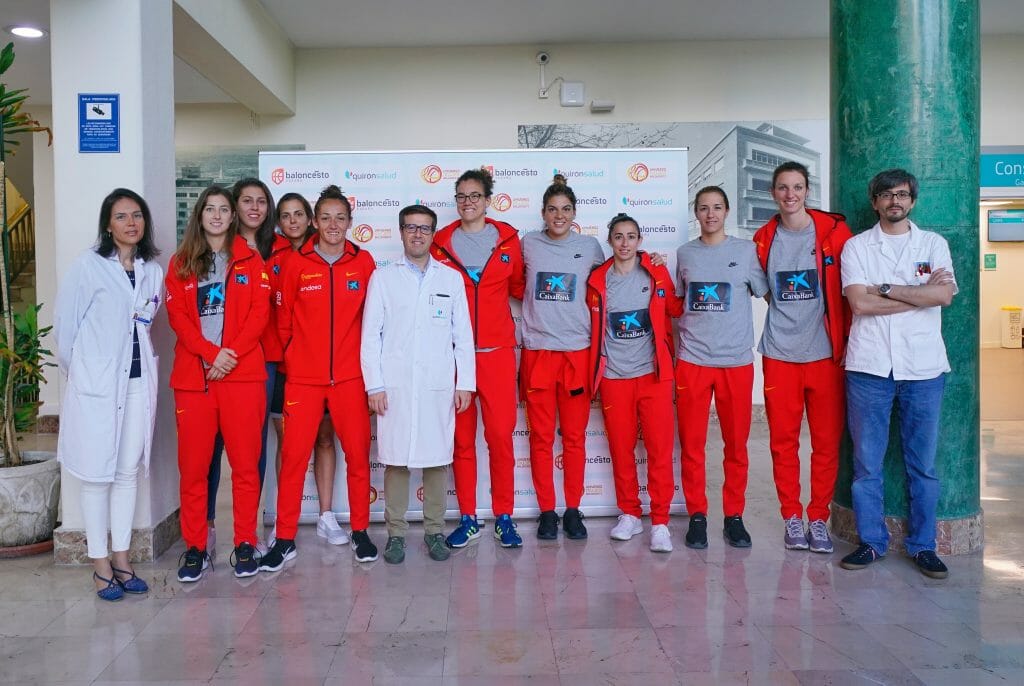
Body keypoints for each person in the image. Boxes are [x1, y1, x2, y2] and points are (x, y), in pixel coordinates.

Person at [839, 169, 956, 579]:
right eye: (886, 195)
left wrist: (884, 288)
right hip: (869, 368)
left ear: (912, 201)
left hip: (923, 369)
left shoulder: (933, 244)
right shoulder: (856, 247)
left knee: (922, 465)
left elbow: (944, 295)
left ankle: (924, 546)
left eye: (902, 195)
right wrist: (919, 298)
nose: (894, 201)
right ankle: (871, 542)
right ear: (874, 202)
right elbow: (860, 305)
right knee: (867, 464)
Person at [261, 184, 378, 571]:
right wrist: (295, 363)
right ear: (314, 221)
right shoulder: (296, 263)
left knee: (358, 457)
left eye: (340, 218)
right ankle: (285, 539)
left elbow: (374, 323)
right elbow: (282, 321)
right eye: (325, 217)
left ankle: (360, 531)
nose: (332, 225)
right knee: (294, 459)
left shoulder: (364, 263)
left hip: (349, 380)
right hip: (304, 381)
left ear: (349, 222)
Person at [54, 188, 162, 601]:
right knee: (97, 475)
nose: (131, 223)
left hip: (138, 384)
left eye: (137, 215)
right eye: (121, 216)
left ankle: (122, 559)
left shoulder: (152, 269)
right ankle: (100, 566)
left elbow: (147, 320)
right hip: (98, 385)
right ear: (107, 224)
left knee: (127, 471)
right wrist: (84, 372)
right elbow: (66, 331)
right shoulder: (88, 267)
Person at [165, 185, 270, 582]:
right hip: (195, 381)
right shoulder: (180, 264)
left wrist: (229, 355)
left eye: (224, 209)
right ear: (200, 215)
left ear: (233, 216)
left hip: (241, 377)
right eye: (209, 209)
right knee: (193, 469)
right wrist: (212, 354)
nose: (216, 215)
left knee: (244, 467)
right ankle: (196, 547)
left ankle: (245, 543)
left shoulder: (251, 261)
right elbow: (179, 321)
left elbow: (259, 317)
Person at [361, 204, 476, 564]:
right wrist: (374, 385)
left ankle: (434, 532)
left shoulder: (451, 279)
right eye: (411, 228)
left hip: (437, 385)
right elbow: (370, 337)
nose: (418, 234)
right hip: (394, 386)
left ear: (433, 234)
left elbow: (463, 337)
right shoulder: (383, 278)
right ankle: (395, 534)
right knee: (395, 460)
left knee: (436, 459)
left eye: (425, 228)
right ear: (401, 233)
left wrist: (465, 383)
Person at [753, 161, 852, 553]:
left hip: (825, 354)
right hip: (779, 354)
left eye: (797, 187)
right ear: (773, 193)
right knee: (783, 441)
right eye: (782, 188)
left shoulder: (833, 232)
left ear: (807, 191)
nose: (790, 194)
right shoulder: (763, 238)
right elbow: (764, 290)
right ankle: (792, 517)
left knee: (826, 443)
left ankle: (818, 518)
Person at [430, 167, 526, 548]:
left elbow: (518, 286)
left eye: (475, 196)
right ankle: (469, 517)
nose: (467, 203)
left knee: (501, 438)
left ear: (488, 200)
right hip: (454, 359)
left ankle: (504, 516)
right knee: (462, 442)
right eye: (461, 197)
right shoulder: (439, 243)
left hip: (498, 355)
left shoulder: (507, 241)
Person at [675, 187, 769, 549]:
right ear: (695, 213)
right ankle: (697, 514)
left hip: (735, 362)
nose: (710, 214)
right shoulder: (685, 254)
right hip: (693, 362)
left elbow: (767, 293)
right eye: (703, 208)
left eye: (717, 207)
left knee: (736, 445)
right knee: (693, 445)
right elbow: (678, 305)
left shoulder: (745, 252)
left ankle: (734, 517)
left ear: (727, 211)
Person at [586, 213, 682, 552]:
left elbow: (673, 308)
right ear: (610, 241)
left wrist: (665, 273)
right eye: (618, 237)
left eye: (631, 237)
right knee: (621, 450)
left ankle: (659, 522)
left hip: (653, 376)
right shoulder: (597, 280)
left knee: (658, 450)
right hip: (614, 378)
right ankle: (629, 513)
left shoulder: (654, 272)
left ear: (640, 241)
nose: (625, 243)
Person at [521, 175, 605, 540]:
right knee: (540, 439)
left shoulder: (589, 247)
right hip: (538, 353)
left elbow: (605, 290)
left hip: (577, 354)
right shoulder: (528, 244)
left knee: (574, 438)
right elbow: (512, 284)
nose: (559, 216)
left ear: (574, 213)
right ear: (543, 213)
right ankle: (546, 511)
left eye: (565, 209)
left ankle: (572, 509)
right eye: (552, 209)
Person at [265, 193, 347, 547]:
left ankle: (327, 515)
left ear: (309, 219)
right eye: (286, 216)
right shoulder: (274, 257)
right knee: (291, 445)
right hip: (289, 368)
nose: (293, 221)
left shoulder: (329, 255)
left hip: (329, 369)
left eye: (299, 214)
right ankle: (287, 520)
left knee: (326, 438)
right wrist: (289, 358)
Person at [204, 178, 277, 558]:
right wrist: (218, 354)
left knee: (252, 449)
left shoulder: (275, 247)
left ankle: (253, 528)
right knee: (210, 449)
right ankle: (208, 527)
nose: (254, 208)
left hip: (258, 360)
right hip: (216, 360)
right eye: (246, 201)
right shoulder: (213, 252)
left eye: (261, 201)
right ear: (233, 207)